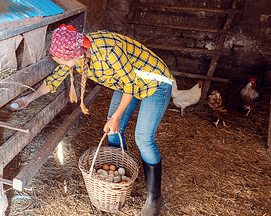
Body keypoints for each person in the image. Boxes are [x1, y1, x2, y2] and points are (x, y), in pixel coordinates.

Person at [10, 24, 173, 216]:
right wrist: (28, 99)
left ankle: (154, 198)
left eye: (64, 62)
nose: (62, 65)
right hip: (126, 81)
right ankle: (119, 180)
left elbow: (131, 85)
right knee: (113, 130)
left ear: (76, 55)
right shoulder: (76, 52)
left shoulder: (107, 51)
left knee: (143, 138)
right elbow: (55, 79)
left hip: (153, 81)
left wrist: (116, 117)